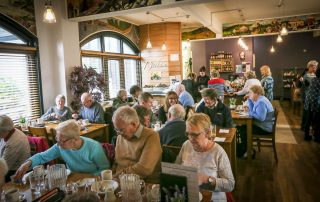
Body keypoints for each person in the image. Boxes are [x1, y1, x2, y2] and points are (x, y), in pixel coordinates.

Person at [14, 120, 110, 180]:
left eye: (61, 141)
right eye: (57, 140)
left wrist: (85, 178)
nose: (58, 144)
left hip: (92, 182)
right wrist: (27, 164)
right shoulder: (60, 146)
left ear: (75, 139)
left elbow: (105, 170)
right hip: (72, 181)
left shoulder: (94, 147)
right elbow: (42, 156)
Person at [175, 113, 235, 202]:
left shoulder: (218, 152)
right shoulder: (186, 145)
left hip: (212, 198)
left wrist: (207, 179)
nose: (190, 138)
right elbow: (176, 168)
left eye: (195, 135)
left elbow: (230, 184)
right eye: (188, 134)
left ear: (207, 133)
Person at [112, 106, 162, 183]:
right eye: (116, 129)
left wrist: (117, 177)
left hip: (144, 184)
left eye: (121, 130)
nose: (118, 133)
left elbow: (144, 169)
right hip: (120, 182)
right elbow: (117, 162)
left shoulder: (151, 136)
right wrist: (111, 178)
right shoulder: (120, 137)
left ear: (133, 124)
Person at [0, 115, 30, 182]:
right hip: (7, 167)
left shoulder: (14, 142)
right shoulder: (8, 132)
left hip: (15, 173)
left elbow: (3, 169)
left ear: (6, 131)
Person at [301, 60, 318, 131]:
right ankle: (304, 127)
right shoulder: (306, 75)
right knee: (307, 113)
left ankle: (308, 127)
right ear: (309, 67)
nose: (315, 68)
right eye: (313, 67)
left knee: (311, 114)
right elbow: (305, 86)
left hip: (312, 96)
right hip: (307, 96)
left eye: (316, 67)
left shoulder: (315, 75)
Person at [304, 67, 320, 142]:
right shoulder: (318, 80)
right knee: (316, 120)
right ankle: (316, 137)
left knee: (309, 119)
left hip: (309, 100)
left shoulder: (314, 79)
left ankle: (306, 135)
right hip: (315, 101)